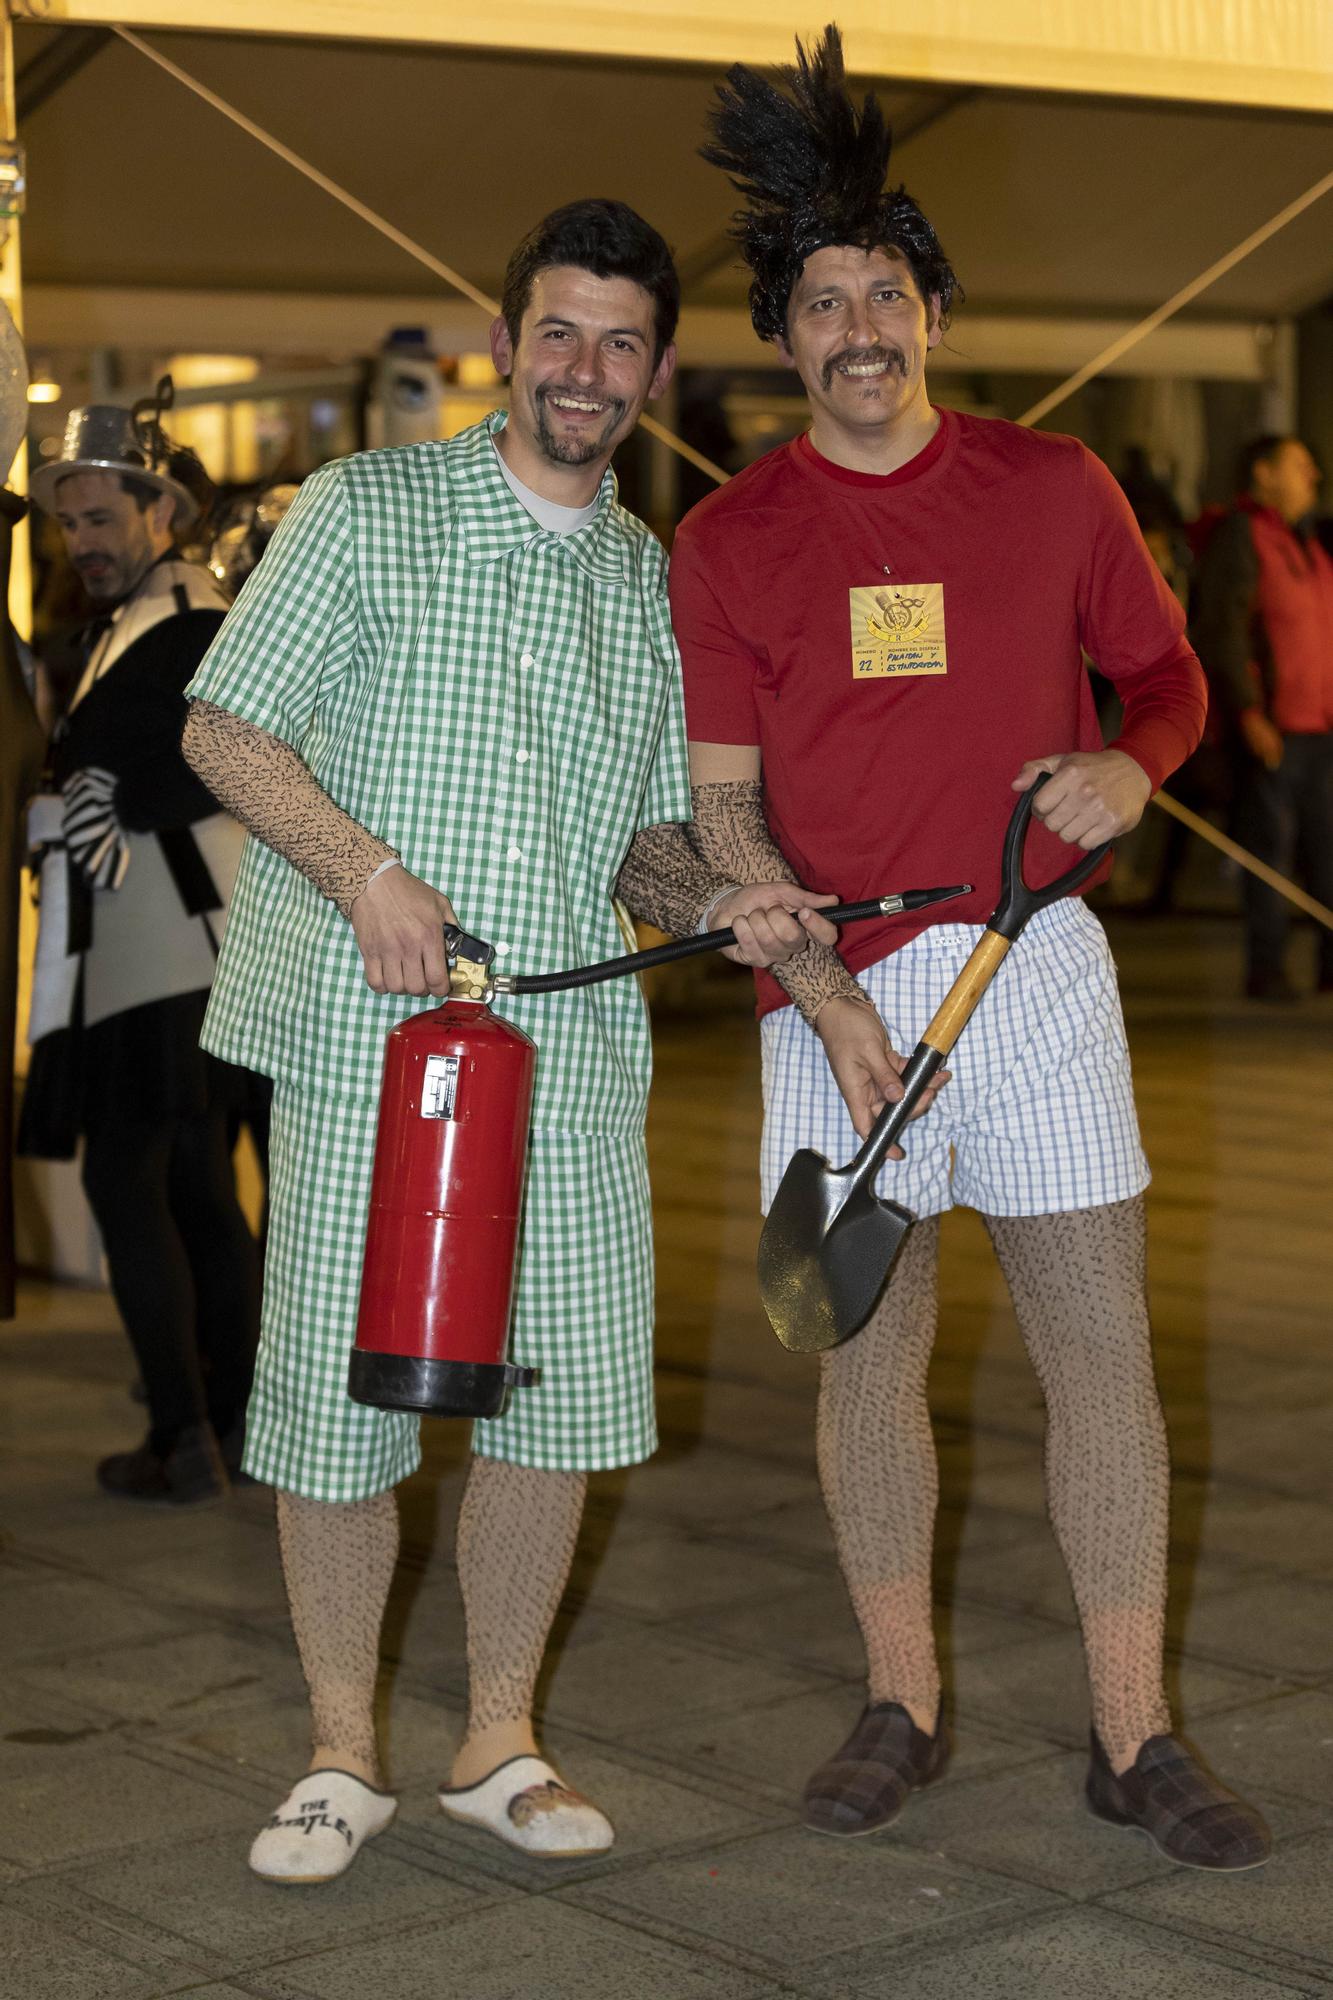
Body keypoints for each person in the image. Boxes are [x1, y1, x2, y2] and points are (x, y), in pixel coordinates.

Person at [669, 29, 1271, 1871]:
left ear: (930, 312)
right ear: (781, 338)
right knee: (863, 1349)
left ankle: (1129, 1731)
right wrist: (826, 999)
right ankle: (899, 1698)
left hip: (1041, 973)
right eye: (818, 299)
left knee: (1096, 1349)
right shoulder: (725, 537)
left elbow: (1165, 685)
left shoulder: (1056, 489)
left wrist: (1125, 760)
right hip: (822, 987)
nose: (856, 325)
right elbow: (716, 806)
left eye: (884, 292)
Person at [181, 198, 831, 1883]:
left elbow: (633, 845)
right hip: (362, 1037)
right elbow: (223, 728)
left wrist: (726, 902)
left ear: (656, 371)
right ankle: (339, 1752)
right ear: (502, 343)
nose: (585, 370)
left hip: (564, 1053)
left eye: (620, 343)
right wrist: (367, 872)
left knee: (548, 1410)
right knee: (343, 1408)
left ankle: (495, 1739)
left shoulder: (644, 576)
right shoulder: (368, 512)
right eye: (559, 332)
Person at [20, 396, 261, 1501]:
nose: (84, 540)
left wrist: (112, 793)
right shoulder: (149, 618)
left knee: (137, 1185)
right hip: (162, 949)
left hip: (165, 953)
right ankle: (227, 1421)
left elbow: (237, 754)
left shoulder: (190, 618)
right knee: (197, 1192)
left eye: (101, 514)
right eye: (69, 524)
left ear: (159, 509)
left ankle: (185, 1432)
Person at [1190, 434, 1333, 999]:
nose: (1314, 475)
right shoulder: (1243, 536)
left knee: (1325, 848)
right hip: (1273, 727)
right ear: (1264, 473)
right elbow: (1223, 628)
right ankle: (1267, 967)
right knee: (1269, 851)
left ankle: (1328, 961)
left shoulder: (1308, 544)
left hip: (1319, 726)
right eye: (1301, 465)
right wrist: (1248, 711)